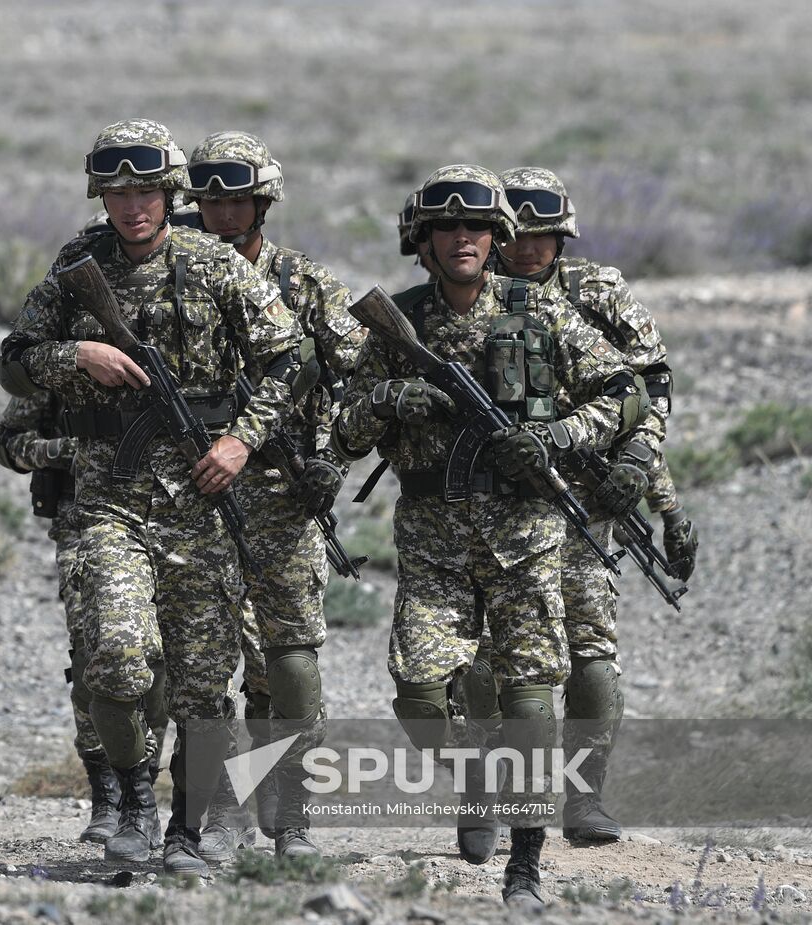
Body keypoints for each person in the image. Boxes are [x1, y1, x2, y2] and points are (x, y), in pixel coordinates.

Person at [330, 165, 645, 908]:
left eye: (475, 227)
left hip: (526, 542)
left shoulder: (540, 314)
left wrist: (558, 434)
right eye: (447, 227)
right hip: (434, 545)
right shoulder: (395, 323)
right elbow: (341, 433)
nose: (463, 239)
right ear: (424, 240)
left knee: (532, 699)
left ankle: (526, 863)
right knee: (416, 690)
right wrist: (387, 398)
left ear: (496, 234)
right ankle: (473, 778)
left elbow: (623, 391)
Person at [0, 118, 300, 877]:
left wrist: (241, 440)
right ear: (100, 194)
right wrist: (80, 353)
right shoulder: (77, 269)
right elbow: (14, 362)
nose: (132, 205)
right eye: (117, 191)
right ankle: (132, 796)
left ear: (169, 193)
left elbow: (287, 360)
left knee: (202, 684)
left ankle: (190, 827)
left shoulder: (214, 265)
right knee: (118, 660)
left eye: (146, 189)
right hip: (110, 499)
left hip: (199, 503)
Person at [494, 166, 696, 842]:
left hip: (585, 497)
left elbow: (650, 389)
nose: (528, 250)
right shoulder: (467, 297)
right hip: (490, 502)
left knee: (591, 650)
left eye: (542, 238)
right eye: (517, 236)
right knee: (485, 656)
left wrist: (642, 469)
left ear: (563, 238)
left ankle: (584, 798)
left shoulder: (598, 292)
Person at [183, 130, 365, 862]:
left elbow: (364, 378)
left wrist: (334, 455)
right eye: (209, 196)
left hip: (285, 498)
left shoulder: (306, 283)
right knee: (198, 665)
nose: (221, 210)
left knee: (287, 668)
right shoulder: (173, 275)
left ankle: (290, 814)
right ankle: (219, 812)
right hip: (191, 494)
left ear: (262, 201)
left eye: (236, 196)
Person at [0, 389, 169, 844]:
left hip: (173, 522)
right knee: (96, 655)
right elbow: (10, 444)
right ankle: (107, 795)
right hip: (85, 525)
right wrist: (70, 450)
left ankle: (143, 782)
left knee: (161, 661)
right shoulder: (69, 358)